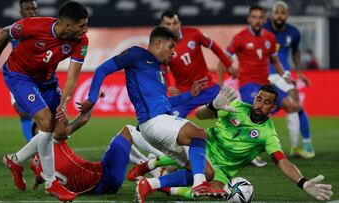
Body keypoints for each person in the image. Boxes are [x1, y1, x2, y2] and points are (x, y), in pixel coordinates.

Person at [77, 26, 234, 202]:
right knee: (199, 134)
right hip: (153, 122)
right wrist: (91, 98)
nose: (173, 52)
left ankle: (150, 184)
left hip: (160, 123)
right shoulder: (136, 54)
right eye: (171, 46)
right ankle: (199, 184)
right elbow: (101, 69)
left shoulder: (158, 71)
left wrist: (191, 94)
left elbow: (166, 103)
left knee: (207, 172)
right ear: (158, 44)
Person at [129, 85, 333, 201]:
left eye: (267, 102)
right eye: (259, 99)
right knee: (199, 166)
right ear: (255, 99)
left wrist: (303, 183)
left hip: (223, 171)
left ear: (273, 107)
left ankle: (158, 184)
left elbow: (282, 161)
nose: (260, 104)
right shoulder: (235, 107)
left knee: (211, 193)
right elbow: (200, 116)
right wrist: (212, 106)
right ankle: (150, 166)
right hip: (201, 146)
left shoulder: (268, 135)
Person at [0, 1, 89, 201]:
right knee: (45, 122)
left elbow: (73, 78)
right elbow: (5, 33)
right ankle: (51, 183)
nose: (86, 30)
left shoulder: (81, 41)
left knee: (60, 131)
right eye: (82, 25)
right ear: (68, 26)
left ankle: (15, 160)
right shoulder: (35, 25)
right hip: (20, 75)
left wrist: (63, 104)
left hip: (47, 80)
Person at [221, 4, 302, 164]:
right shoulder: (239, 37)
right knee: (255, 114)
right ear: (249, 19)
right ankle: (246, 152)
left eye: (260, 18)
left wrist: (285, 75)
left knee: (292, 106)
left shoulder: (269, 38)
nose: (257, 21)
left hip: (266, 83)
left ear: (264, 19)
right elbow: (223, 59)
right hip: (248, 84)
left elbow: (275, 61)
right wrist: (224, 76)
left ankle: (295, 148)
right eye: (254, 17)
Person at [264, 1, 315, 158]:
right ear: (272, 14)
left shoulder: (294, 32)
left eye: (283, 13)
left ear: (287, 15)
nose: (279, 16)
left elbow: (296, 52)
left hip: (283, 75)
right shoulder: (263, 29)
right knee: (258, 110)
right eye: (276, 12)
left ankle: (304, 143)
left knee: (297, 105)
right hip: (264, 74)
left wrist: (299, 72)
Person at [159, 10, 232, 118]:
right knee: (170, 121)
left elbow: (214, 47)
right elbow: (163, 70)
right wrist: (169, 86)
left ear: (180, 23)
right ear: (162, 26)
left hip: (208, 87)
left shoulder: (194, 34)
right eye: (168, 24)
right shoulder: (163, 48)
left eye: (175, 23)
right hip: (184, 93)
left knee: (230, 113)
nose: (173, 27)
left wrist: (228, 64)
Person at [9, 0, 39, 142]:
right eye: (28, 9)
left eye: (34, 9)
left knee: (45, 116)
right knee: (24, 113)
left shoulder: (46, 28)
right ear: (21, 12)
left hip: (41, 77)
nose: (32, 11)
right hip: (18, 77)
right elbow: (1, 44)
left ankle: (46, 148)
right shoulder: (14, 30)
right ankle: (33, 149)